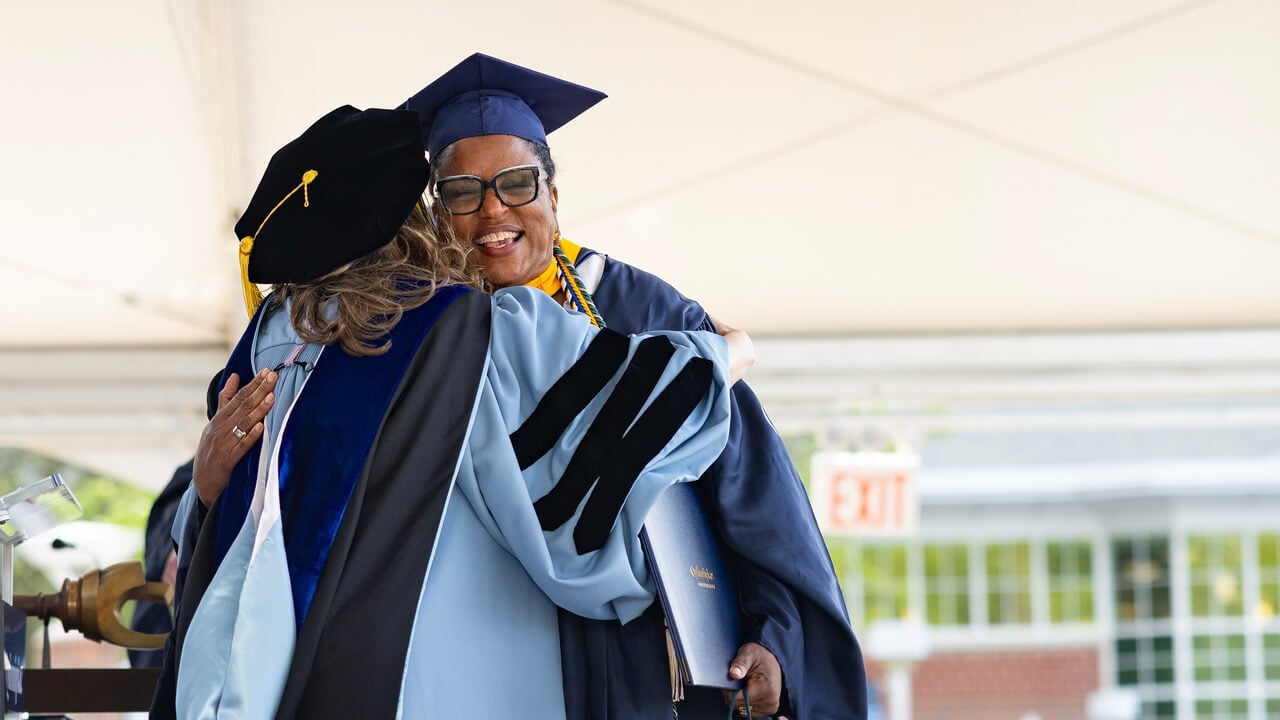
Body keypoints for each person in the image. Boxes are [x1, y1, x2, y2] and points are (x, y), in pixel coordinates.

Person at [150, 104, 755, 718]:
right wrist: (728, 352)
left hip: (290, 678)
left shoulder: (268, 339)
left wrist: (202, 489)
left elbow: (212, 541)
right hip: (450, 670)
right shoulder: (468, 329)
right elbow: (626, 403)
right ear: (419, 215)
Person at [403, 53, 868, 719]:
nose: (491, 211)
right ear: (437, 214)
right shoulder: (422, 339)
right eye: (462, 194)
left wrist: (776, 641)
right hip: (482, 666)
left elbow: (755, 495)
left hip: (640, 663)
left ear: (554, 198)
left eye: (516, 184)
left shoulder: (644, 313)